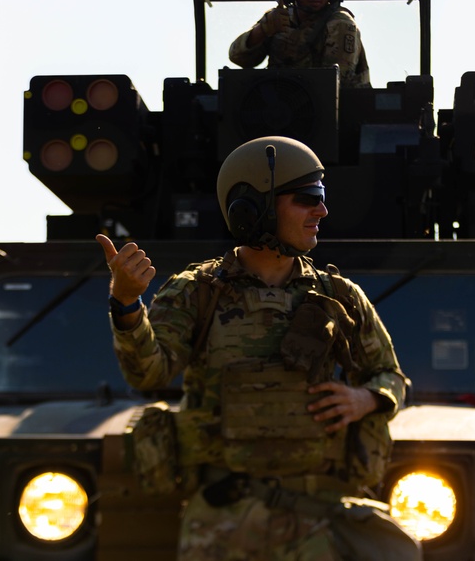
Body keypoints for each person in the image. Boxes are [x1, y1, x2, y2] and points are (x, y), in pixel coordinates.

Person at [96, 135, 416, 560]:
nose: (321, 211)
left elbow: (389, 376)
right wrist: (126, 302)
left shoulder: (338, 295)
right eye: (307, 198)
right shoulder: (196, 292)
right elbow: (148, 373)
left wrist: (366, 398)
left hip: (316, 521)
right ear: (255, 207)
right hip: (222, 524)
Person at [229, 0, 372, 88]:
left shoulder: (340, 23)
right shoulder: (279, 19)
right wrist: (262, 30)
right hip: (283, 104)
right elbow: (238, 58)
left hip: (334, 107)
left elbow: (335, 82)